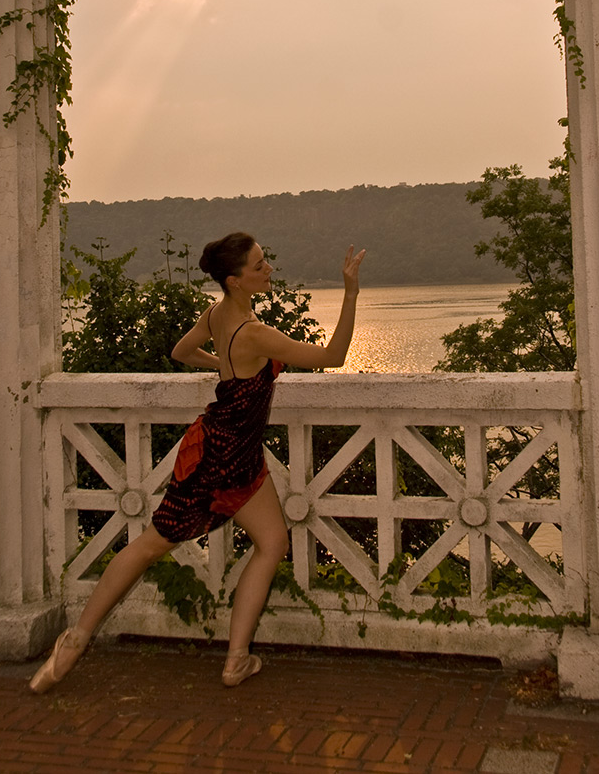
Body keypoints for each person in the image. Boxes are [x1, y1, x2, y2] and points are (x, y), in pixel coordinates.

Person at [29, 231, 365, 693]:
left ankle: (236, 660)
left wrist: (222, 367)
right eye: (258, 266)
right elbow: (334, 355)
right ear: (235, 279)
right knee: (152, 544)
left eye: (265, 261)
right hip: (222, 460)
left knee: (271, 541)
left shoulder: (218, 314)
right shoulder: (256, 333)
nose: (267, 270)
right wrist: (350, 292)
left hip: (230, 449)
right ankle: (74, 643)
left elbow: (180, 352)